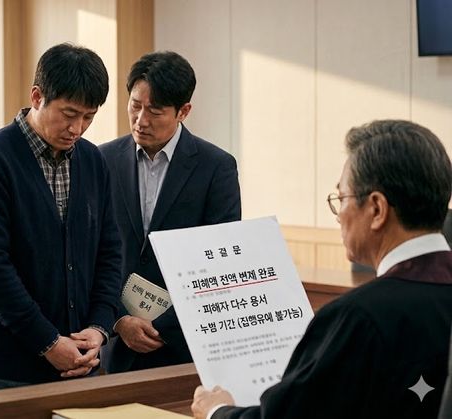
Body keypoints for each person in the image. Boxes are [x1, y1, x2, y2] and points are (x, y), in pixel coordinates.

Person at [191, 120, 452, 419]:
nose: (339, 216)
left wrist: (217, 411)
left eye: (342, 198)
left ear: (377, 209)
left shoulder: (358, 317)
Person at [0, 43, 122, 391]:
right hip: (9, 370)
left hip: (82, 361)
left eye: (88, 117)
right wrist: (47, 342)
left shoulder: (93, 161)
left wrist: (98, 327)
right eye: (69, 114)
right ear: (37, 97)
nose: (77, 128)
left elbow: (109, 252)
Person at [98, 51, 241, 373]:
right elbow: (88, 252)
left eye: (155, 111)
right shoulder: (102, 160)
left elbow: (220, 262)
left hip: (184, 344)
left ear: (183, 111)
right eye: (135, 105)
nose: (141, 120)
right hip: (116, 341)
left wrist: (165, 327)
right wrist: (119, 319)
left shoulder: (216, 167)